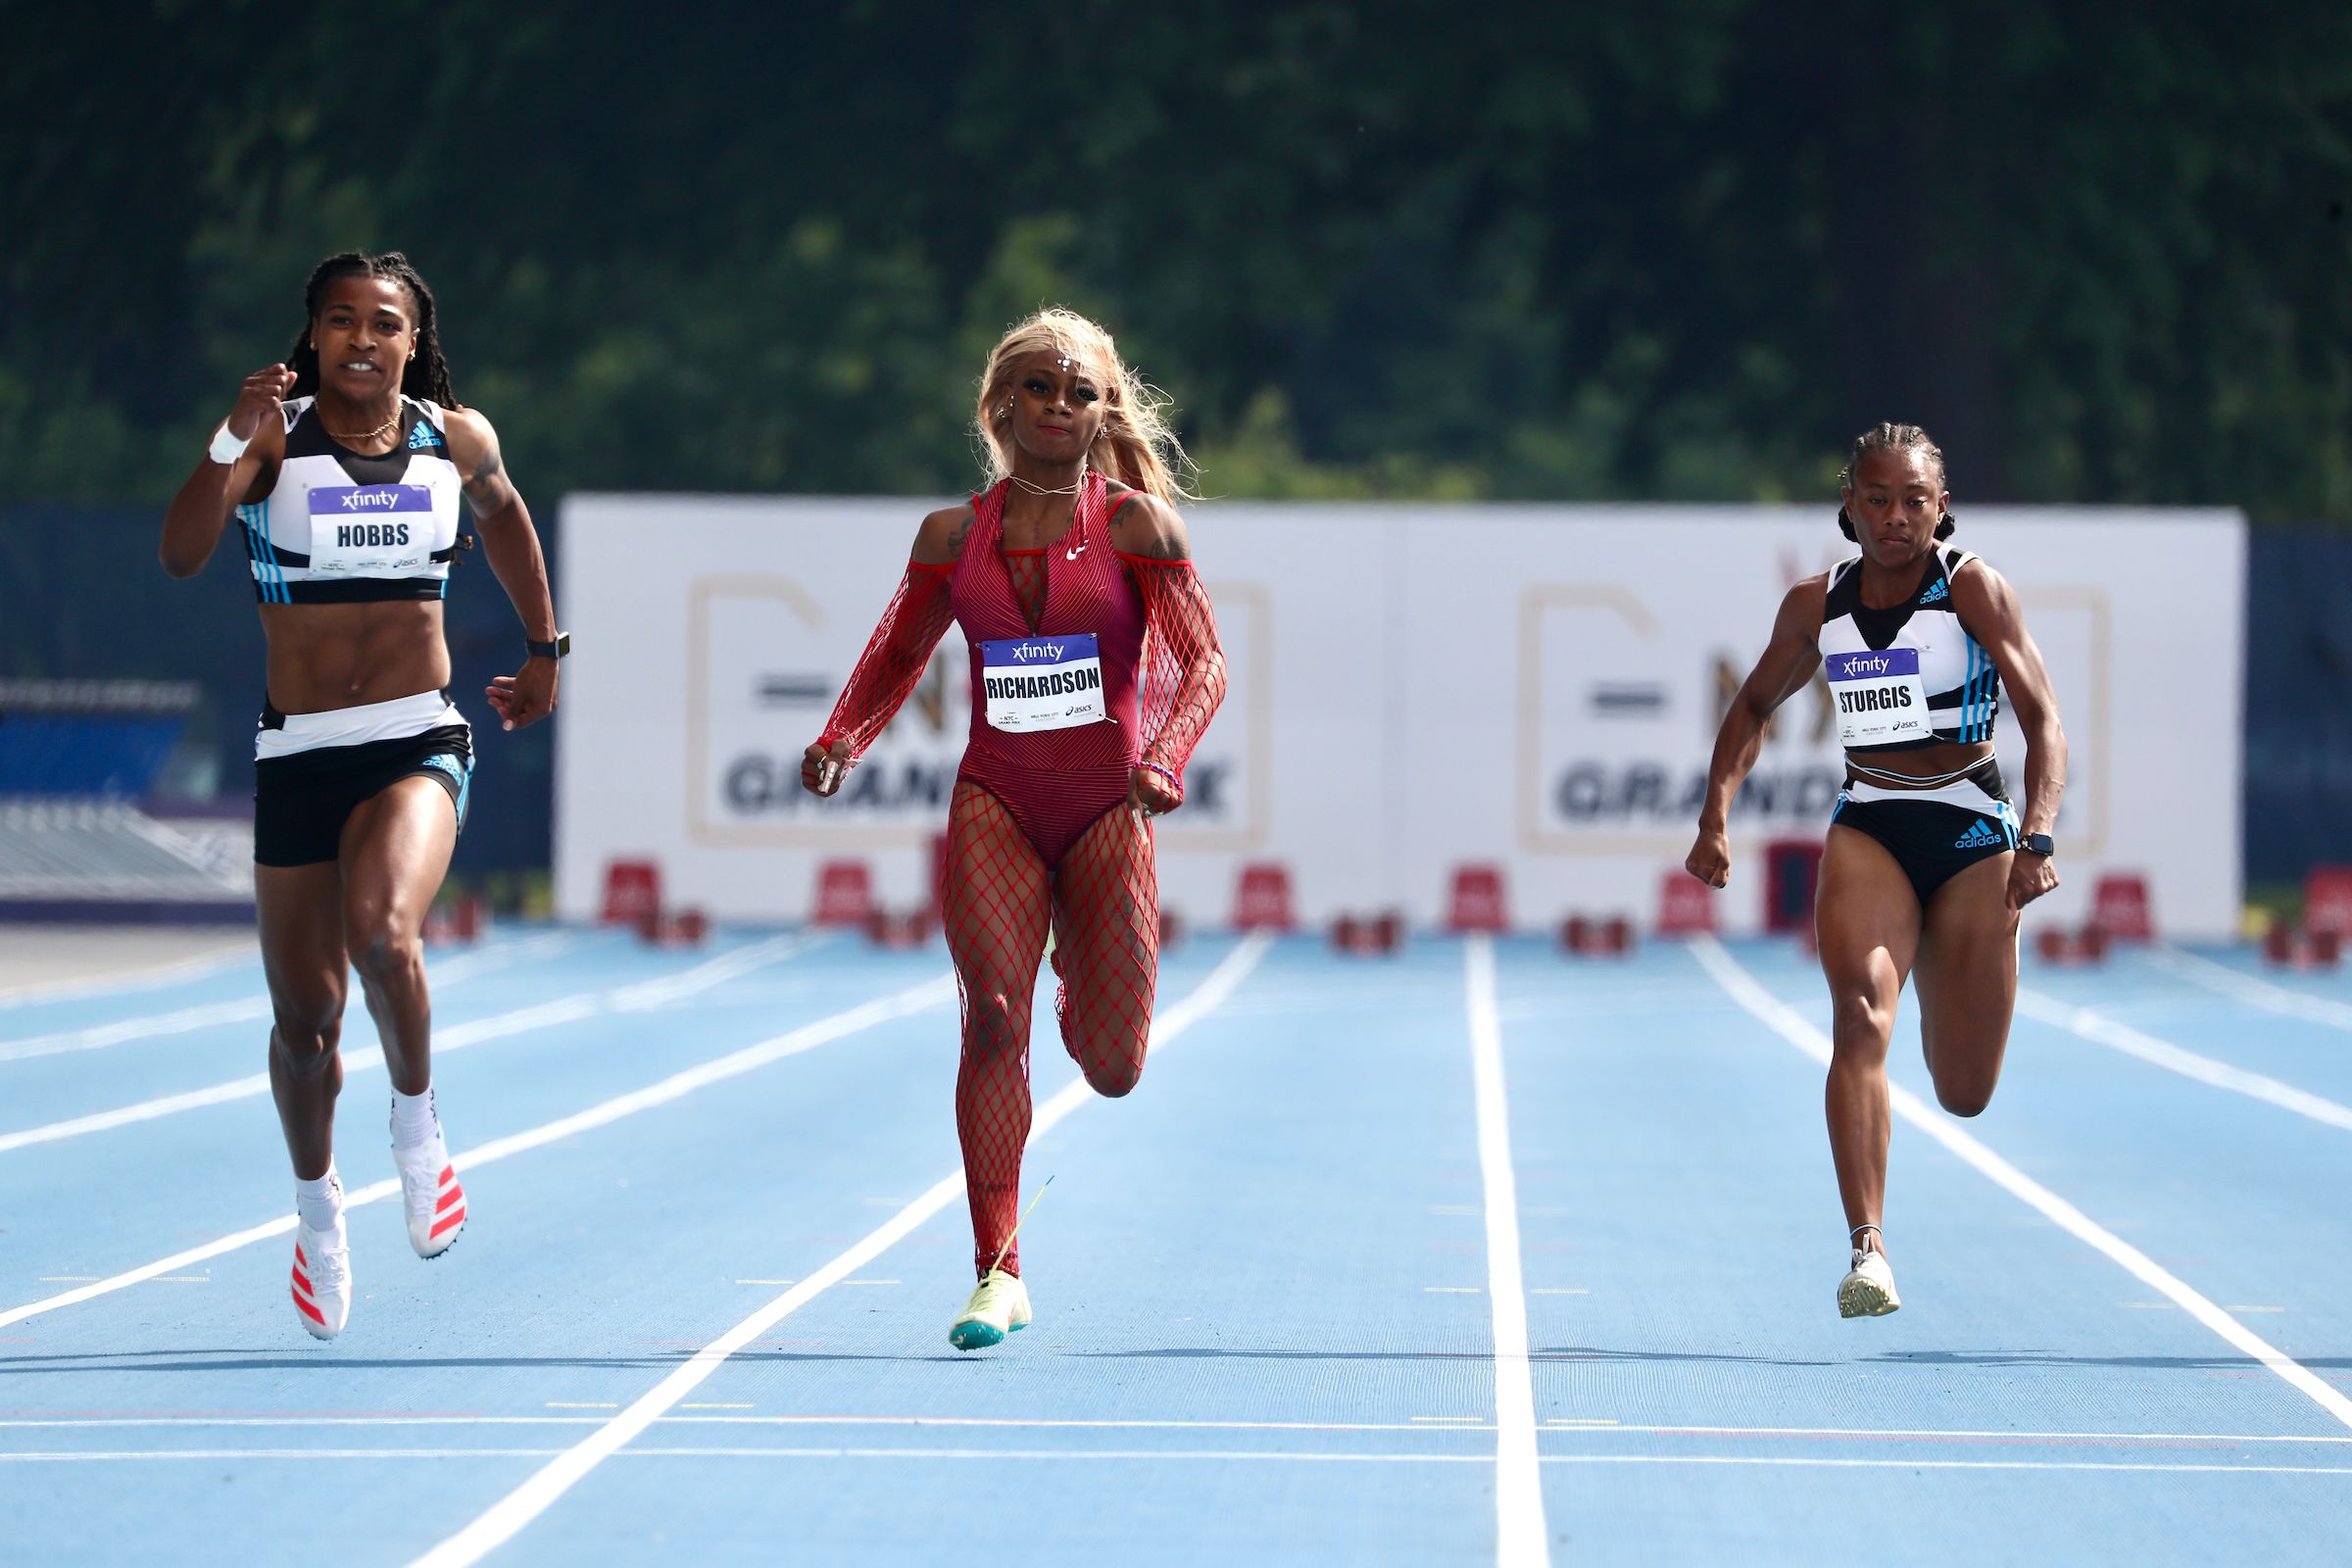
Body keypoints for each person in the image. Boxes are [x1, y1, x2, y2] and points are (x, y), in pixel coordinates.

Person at [802, 309, 1226, 1350]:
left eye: (1080, 391)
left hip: (1107, 808)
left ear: (1104, 409)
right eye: (1039, 387)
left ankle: (1086, 978)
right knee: (993, 1016)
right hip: (995, 797)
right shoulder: (954, 538)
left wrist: (1162, 757)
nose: (1060, 405)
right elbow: (898, 650)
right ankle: (999, 1269)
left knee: (1114, 1064)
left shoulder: (1136, 528)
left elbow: (1204, 661)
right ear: (999, 405)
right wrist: (842, 735)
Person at [160, 251, 565, 1339]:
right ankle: (317, 1213)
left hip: (415, 736)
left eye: (382, 323)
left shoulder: (455, 436)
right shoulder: (272, 440)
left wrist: (544, 649)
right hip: (299, 751)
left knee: (386, 934)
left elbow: (511, 521)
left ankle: (418, 1129)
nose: (360, 338)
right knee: (306, 1021)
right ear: (313, 335)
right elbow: (182, 551)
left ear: (409, 340)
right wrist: (227, 440)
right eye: (339, 319)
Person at [1687, 422, 2066, 1317]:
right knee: (1859, 1018)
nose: (1896, 517)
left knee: (1964, 1091)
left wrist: (2038, 838)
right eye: (1878, 499)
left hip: (1973, 831)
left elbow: (2043, 720)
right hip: (1872, 824)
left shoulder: (1971, 588)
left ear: (1943, 509)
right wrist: (1715, 819)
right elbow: (1751, 705)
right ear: (1849, 508)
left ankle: (1947, 970)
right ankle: (1869, 1252)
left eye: (1914, 501)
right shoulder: (1817, 605)